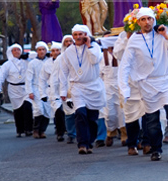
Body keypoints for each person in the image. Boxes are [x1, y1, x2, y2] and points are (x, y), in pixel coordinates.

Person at [118, 7, 168, 162]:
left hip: (167, 80)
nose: (147, 22)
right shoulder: (134, 40)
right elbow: (125, 65)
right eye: (143, 19)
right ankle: (156, 149)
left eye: (149, 19)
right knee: (152, 120)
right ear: (138, 22)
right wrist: (124, 88)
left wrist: (166, 35)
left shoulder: (163, 34)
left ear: (154, 20)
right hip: (147, 84)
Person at [60, 25, 106, 155]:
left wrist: (89, 45)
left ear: (86, 35)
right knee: (80, 114)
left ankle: (90, 142)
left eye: (81, 34)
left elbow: (95, 60)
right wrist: (63, 91)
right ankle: (82, 144)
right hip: (77, 87)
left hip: (93, 87)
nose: (78, 37)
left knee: (92, 118)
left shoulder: (95, 47)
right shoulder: (68, 52)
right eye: (75, 35)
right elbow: (63, 72)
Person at [114, 30, 148, 156]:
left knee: (147, 113)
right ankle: (132, 144)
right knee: (130, 116)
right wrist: (127, 38)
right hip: (128, 83)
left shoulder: (147, 36)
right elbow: (117, 54)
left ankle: (146, 143)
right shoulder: (122, 37)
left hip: (144, 81)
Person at [0, 44, 33, 137]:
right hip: (14, 89)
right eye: (14, 50)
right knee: (18, 110)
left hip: (26, 88)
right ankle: (20, 130)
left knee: (27, 107)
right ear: (11, 52)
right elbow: (0, 77)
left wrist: (28, 56)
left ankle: (29, 129)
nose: (16, 52)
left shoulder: (27, 61)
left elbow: (36, 56)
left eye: (18, 50)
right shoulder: (7, 65)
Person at [99, 37, 126, 147]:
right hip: (107, 86)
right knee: (109, 113)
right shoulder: (101, 56)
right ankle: (110, 132)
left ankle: (125, 135)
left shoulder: (122, 53)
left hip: (121, 85)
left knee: (123, 113)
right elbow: (99, 74)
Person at [51, 35, 77, 144]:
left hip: (80, 86)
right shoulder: (60, 59)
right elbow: (55, 77)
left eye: (71, 41)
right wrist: (57, 93)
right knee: (69, 113)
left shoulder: (80, 55)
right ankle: (71, 134)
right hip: (66, 88)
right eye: (66, 41)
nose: (69, 43)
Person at [39, 41, 66, 141]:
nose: (56, 52)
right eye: (53, 51)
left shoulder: (65, 60)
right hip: (53, 91)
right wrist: (43, 93)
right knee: (58, 111)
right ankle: (60, 132)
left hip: (65, 89)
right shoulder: (47, 64)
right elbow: (42, 79)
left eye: (57, 50)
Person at [26, 41, 51, 139]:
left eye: (43, 49)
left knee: (47, 110)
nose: (41, 51)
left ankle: (42, 130)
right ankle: (36, 129)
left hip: (47, 89)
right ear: (37, 51)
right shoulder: (32, 63)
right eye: (40, 50)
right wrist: (30, 91)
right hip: (36, 88)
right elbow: (28, 78)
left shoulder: (49, 61)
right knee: (39, 109)